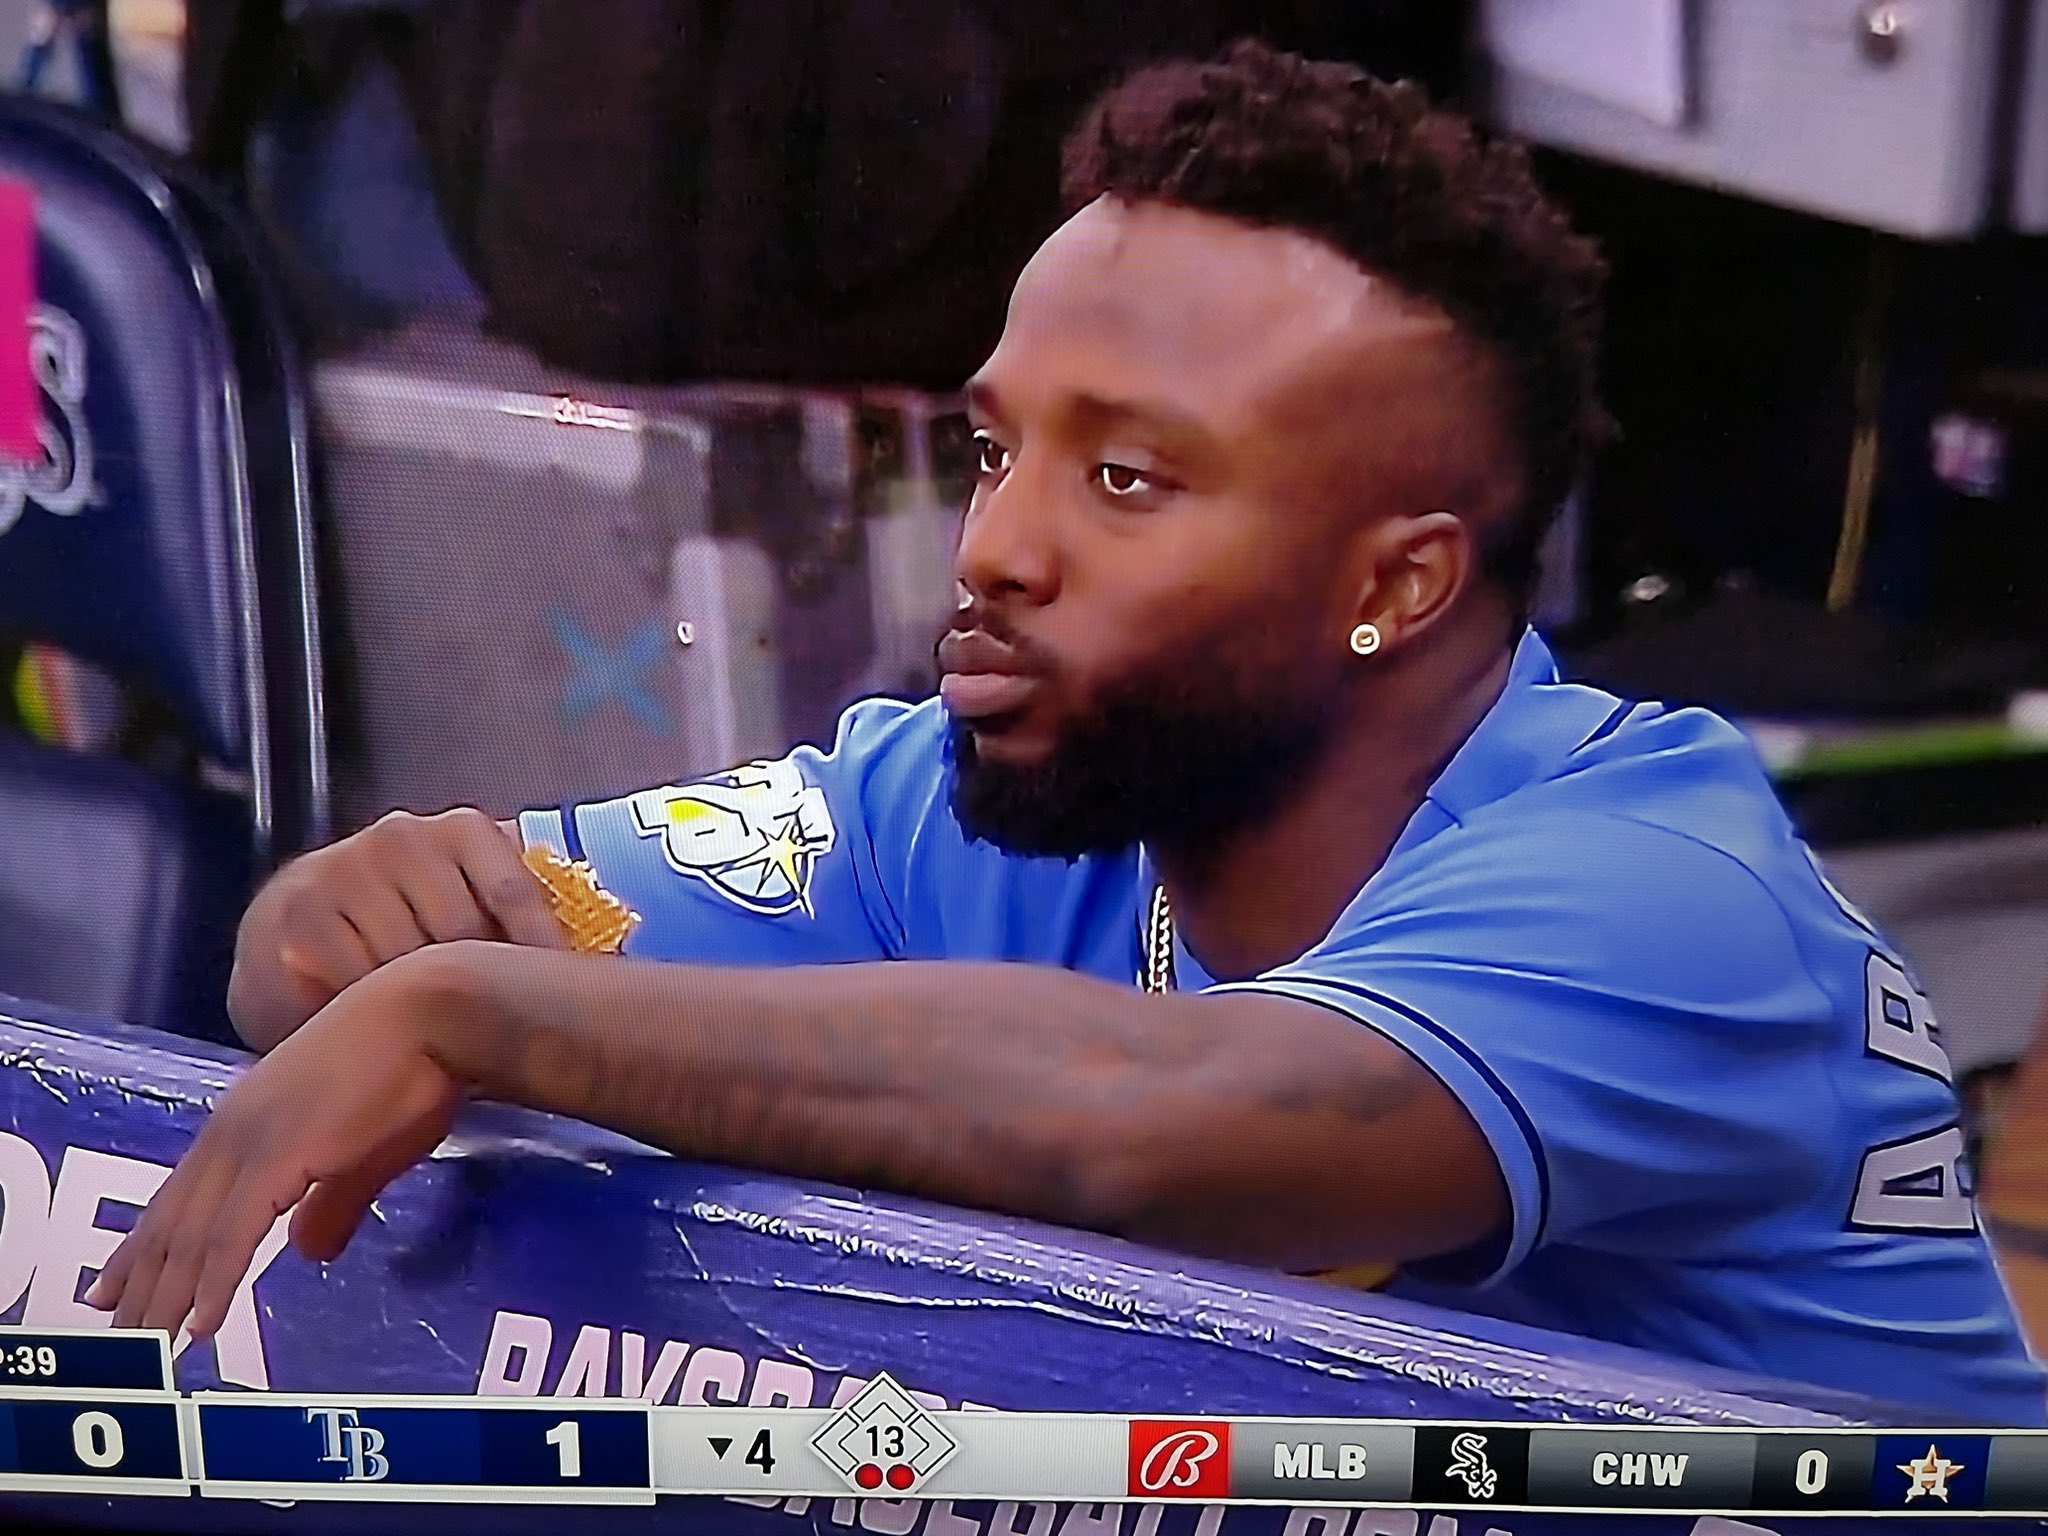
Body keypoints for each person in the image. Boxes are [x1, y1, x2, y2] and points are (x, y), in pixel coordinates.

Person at [90, 40, 2045, 1421]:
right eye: (991, 447)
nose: (995, 549)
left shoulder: (1663, 884)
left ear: (1401, 583)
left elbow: (1159, 1125)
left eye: (1125, 484)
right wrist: (349, 921)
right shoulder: (957, 788)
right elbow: (345, 967)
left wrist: (472, 1011)